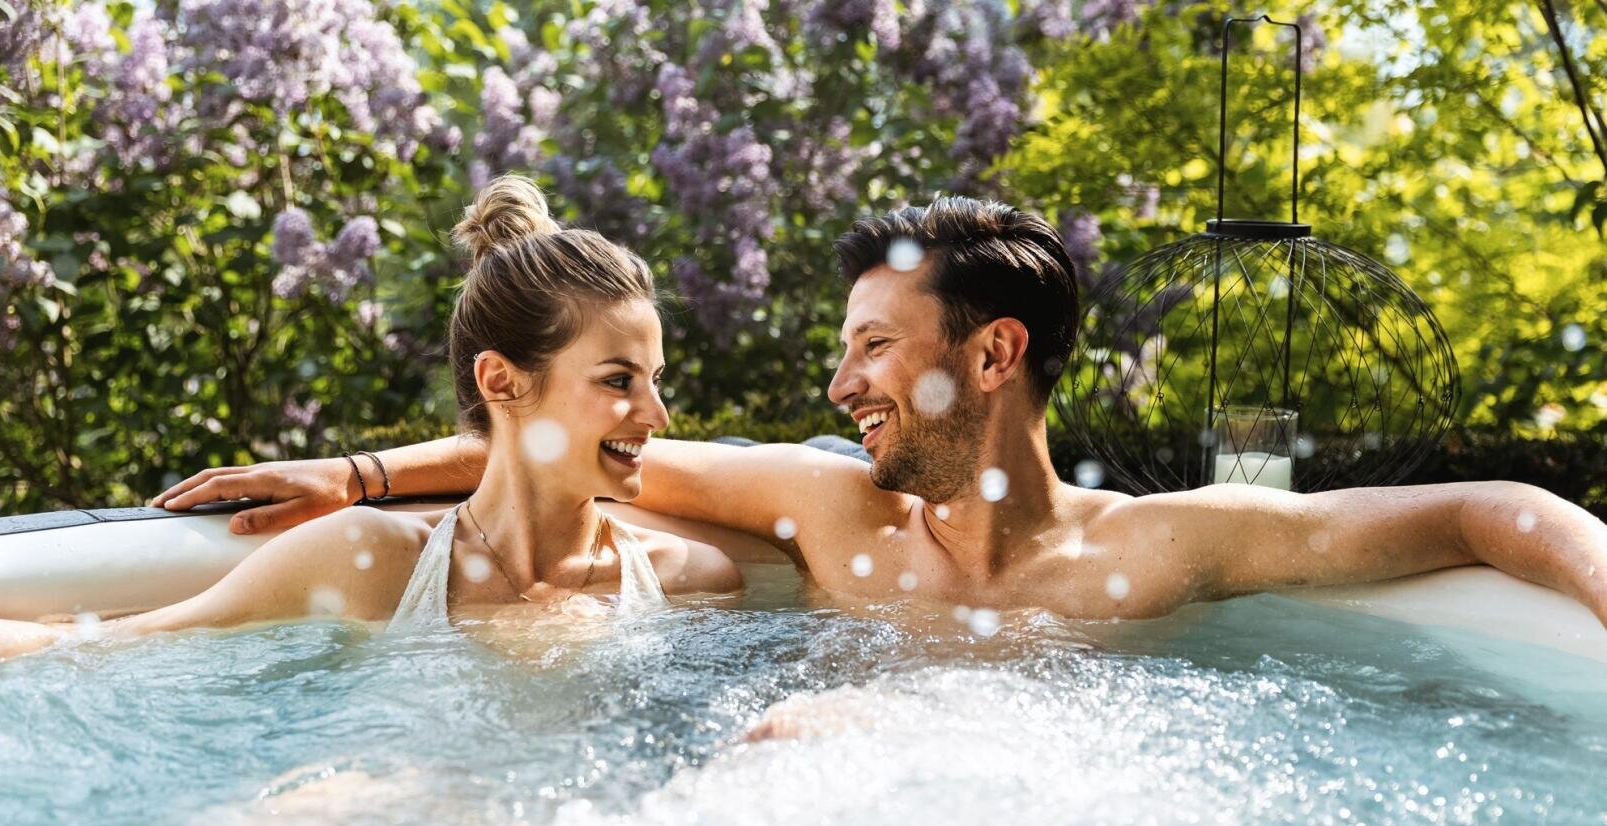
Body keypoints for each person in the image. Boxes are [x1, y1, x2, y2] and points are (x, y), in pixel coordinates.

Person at [157, 196, 1607, 628]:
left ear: (991, 357)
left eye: (870, 349)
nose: (838, 385)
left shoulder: (1165, 548)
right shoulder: (827, 509)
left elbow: (1496, 510)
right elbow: (570, 448)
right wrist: (352, 476)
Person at [0, 177, 741, 662]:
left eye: (655, 379)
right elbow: (105, 647)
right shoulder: (370, 560)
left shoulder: (692, 582)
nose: (657, 414)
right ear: (502, 382)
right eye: (618, 381)